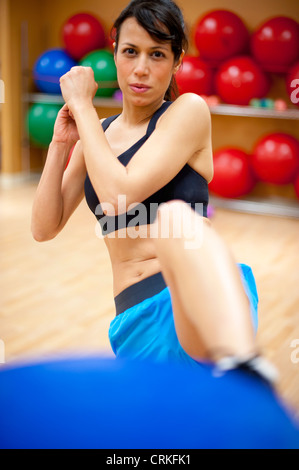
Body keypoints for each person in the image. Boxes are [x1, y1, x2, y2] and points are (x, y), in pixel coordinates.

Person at [31, 0, 261, 377]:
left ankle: (243, 367)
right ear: (115, 54)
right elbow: (44, 227)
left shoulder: (188, 110)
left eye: (157, 54)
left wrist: (83, 106)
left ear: (177, 61)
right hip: (135, 313)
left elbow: (119, 197)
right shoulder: (97, 133)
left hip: (194, 294)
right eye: (130, 52)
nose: (141, 69)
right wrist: (60, 144)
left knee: (178, 224)